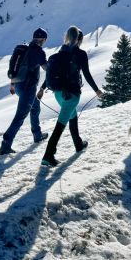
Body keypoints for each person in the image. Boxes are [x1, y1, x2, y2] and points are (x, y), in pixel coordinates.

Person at [38, 26, 102, 167]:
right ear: (79, 39)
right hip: (71, 95)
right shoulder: (80, 54)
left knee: (72, 116)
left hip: (58, 94)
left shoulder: (61, 52)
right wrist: (97, 90)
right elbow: (86, 74)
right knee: (60, 125)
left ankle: (78, 144)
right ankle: (48, 155)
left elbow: (52, 72)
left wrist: (42, 89)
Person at [0, 27, 49, 156]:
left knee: (35, 108)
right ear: (43, 39)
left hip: (18, 85)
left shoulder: (23, 48)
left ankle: (37, 135)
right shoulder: (38, 51)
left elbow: (15, 67)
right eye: (44, 40)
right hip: (28, 88)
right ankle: (5, 145)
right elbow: (46, 68)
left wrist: (12, 84)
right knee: (20, 117)